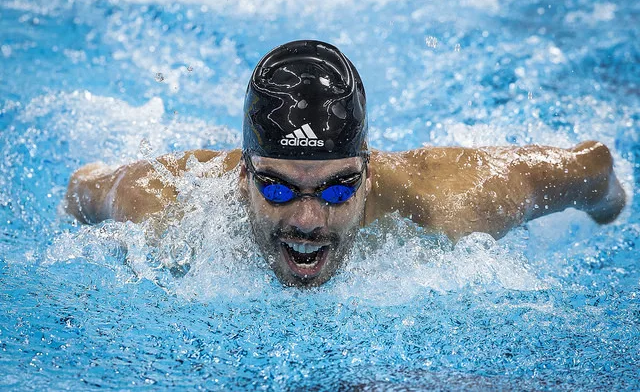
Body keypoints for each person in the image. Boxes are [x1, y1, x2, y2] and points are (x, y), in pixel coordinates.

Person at [65, 40, 626, 287]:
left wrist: (611, 212)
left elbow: (593, 166)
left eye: (336, 190)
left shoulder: (452, 203)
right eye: (279, 190)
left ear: (369, 174)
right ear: (241, 177)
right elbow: (80, 189)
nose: (308, 220)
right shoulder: (165, 201)